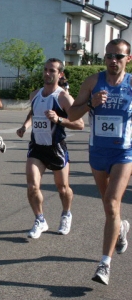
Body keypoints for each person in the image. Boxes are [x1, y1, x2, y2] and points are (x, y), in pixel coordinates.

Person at [67, 38, 132, 285]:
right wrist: (90, 104)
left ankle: (104, 264)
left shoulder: (131, 84)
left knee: (112, 201)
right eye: (109, 56)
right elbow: (72, 114)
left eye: (118, 56)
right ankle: (122, 228)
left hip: (124, 153)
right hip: (98, 153)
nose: (113, 61)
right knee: (109, 207)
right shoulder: (93, 82)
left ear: (128, 58)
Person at [16, 58, 84, 240]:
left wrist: (59, 120)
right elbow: (34, 112)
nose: (47, 73)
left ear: (60, 74)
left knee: (63, 188)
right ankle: (40, 220)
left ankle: (66, 213)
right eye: (45, 70)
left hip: (56, 148)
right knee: (32, 186)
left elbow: (80, 124)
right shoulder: (35, 95)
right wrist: (25, 125)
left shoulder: (63, 97)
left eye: (52, 70)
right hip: (37, 147)